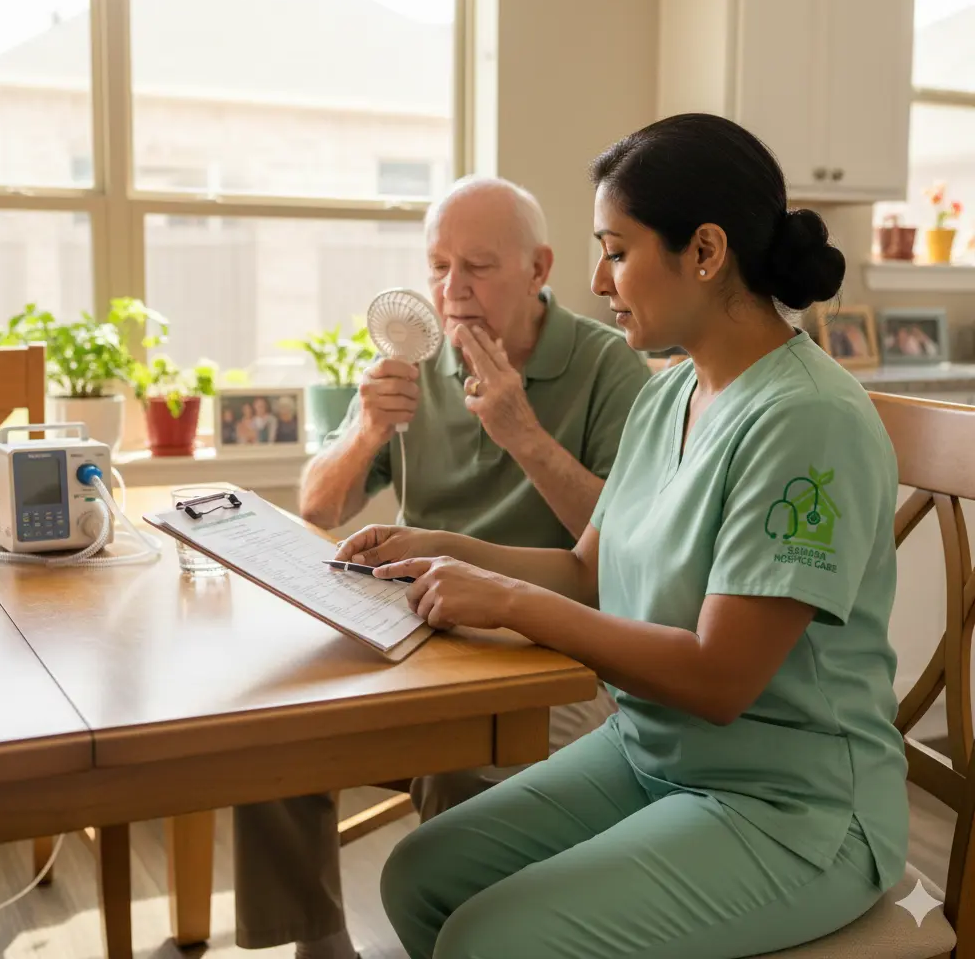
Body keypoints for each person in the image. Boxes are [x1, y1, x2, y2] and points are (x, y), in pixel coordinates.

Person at [339, 115, 908, 959]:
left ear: (705, 252)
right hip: (650, 752)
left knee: (489, 940)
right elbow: (587, 569)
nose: (600, 281)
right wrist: (443, 549)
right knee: (420, 876)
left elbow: (720, 680)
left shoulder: (806, 421)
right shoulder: (667, 393)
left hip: (794, 805)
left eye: (616, 249)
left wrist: (509, 601)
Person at [231, 175, 651, 958]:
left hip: (548, 644)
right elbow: (319, 508)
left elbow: (623, 545)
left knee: (466, 770)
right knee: (272, 727)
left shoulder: (609, 370)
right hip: (409, 622)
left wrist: (522, 431)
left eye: (478, 266)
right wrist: (362, 435)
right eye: (437, 266)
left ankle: (460, 939)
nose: (452, 290)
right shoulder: (413, 362)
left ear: (539, 268)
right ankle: (319, 941)